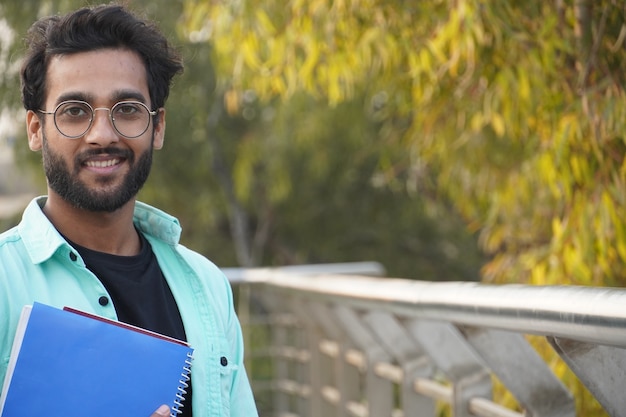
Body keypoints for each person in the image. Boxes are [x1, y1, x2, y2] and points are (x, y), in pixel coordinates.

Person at [0, 4, 258, 417]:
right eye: (74, 112)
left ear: (157, 127)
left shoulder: (207, 286)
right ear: (35, 129)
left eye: (127, 110)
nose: (103, 135)